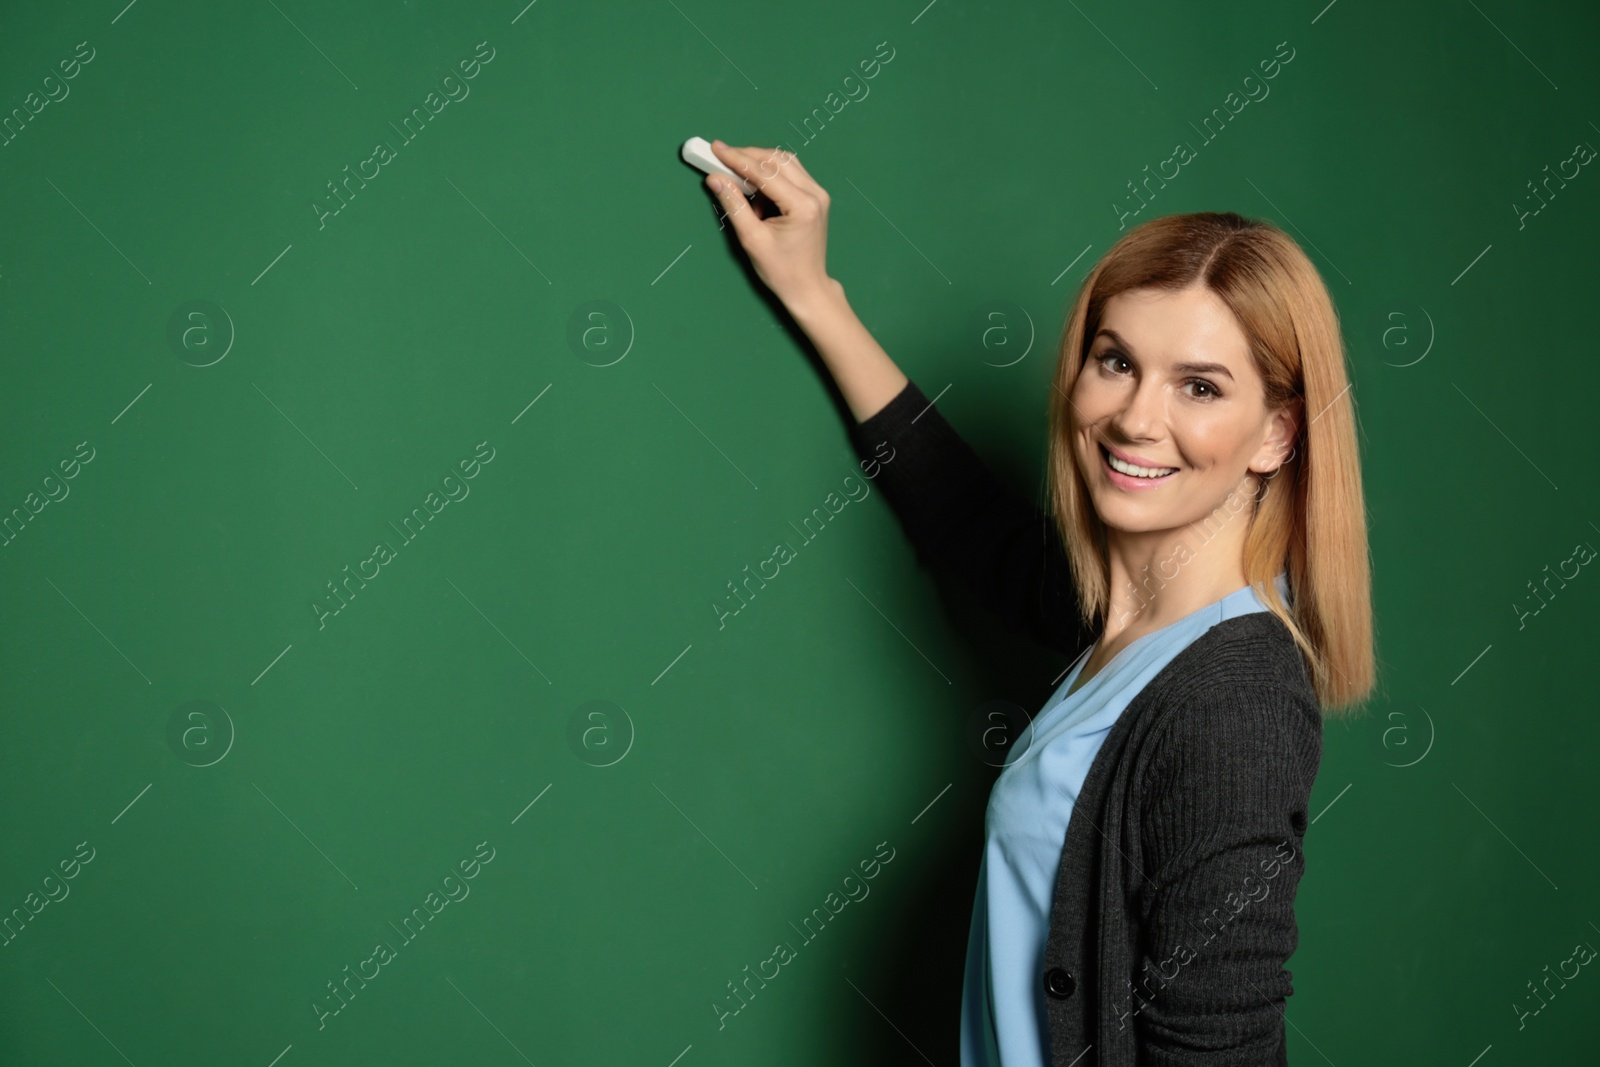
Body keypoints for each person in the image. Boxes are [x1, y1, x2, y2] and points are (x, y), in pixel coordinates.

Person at [700, 140, 1374, 1066]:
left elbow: (1220, 1047)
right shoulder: (1127, 622)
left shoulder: (1233, 700)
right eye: (1115, 361)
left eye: (1201, 386)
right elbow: (973, 528)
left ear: (1276, 433)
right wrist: (816, 294)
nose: (1137, 418)